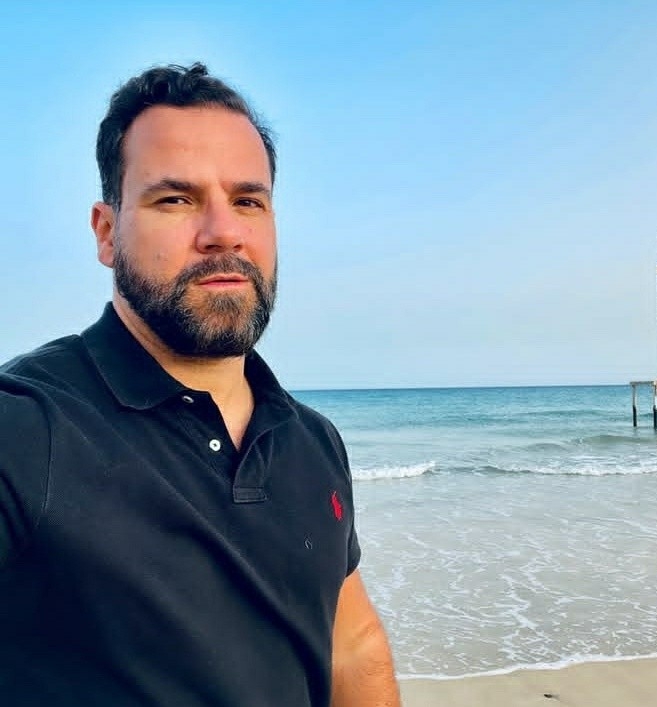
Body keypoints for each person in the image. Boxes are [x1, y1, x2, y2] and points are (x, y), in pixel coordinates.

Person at [0, 62, 400, 707]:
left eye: (248, 201)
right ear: (107, 232)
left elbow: (350, 644)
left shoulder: (312, 440)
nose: (224, 233)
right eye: (175, 199)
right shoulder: (26, 424)